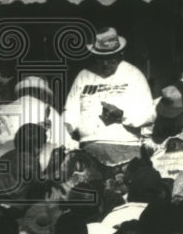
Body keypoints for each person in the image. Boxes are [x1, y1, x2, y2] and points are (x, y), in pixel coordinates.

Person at [62, 27, 155, 162]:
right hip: (88, 148)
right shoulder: (83, 76)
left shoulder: (134, 75)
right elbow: (70, 112)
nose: (105, 63)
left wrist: (121, 115)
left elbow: (149, 114)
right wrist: (67, 129)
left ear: (120, 54)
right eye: (100, 58)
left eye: (110, 58)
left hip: (124, 147)